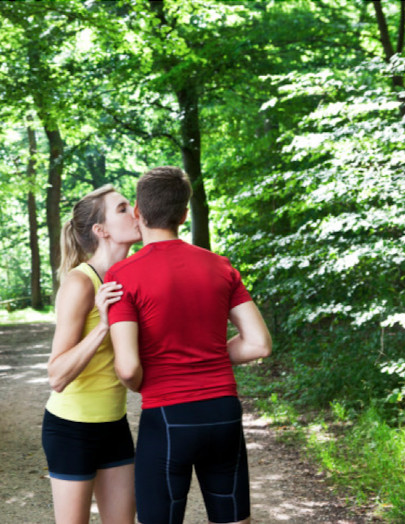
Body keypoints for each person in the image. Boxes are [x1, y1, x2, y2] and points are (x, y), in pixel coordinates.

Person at [106, 166, 272, 524]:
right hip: (223, 413)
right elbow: (259, 344)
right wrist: (209, 357)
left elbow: (128, 368)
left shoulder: (122, 275)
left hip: (167, 417)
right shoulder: (221, 267)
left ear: (138, 211)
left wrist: (146, 378)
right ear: (183, 215)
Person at [42, 184, 141, 524]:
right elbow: (56, 376)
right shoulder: (80, 282)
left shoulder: (129, 278)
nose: (134, 212)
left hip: (114, 425)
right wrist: (103, 326)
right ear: (101, 230)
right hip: (71, 429)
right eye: (123, 208)